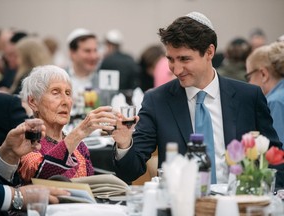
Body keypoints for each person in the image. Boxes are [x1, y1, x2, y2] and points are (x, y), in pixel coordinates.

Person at [112, 12, 282, 184]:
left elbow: (275, 157)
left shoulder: (248, 97)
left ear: (209, 52)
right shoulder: (157, 100)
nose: (176, 70)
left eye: (184, 59)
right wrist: (125, 145)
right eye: (171, 59)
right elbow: (129, 172)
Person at [18, 65, 117, 183]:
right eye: (55, 92)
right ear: (33, 102)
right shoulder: (28, 142)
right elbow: (40, 175)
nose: (65, 101)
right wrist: (79, 132)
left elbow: (92, 187)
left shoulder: (80, 147)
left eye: (68, 93)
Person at [0, 120, 70, 215]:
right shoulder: (34, 148)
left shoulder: (81, 146)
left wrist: (9, 154)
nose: (65, 104)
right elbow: (43, 172)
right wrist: (17, 196)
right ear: (33, 105)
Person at [245, 41, 284, 146]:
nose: (248, 83)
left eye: (248, 77)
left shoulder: (275, 102)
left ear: (263, 74)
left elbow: (278, 151)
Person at [66, 28, 101, 115]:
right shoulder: (59, 79)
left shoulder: (102, 82)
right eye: (87, 51)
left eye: (95, 50)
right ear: (72, 53)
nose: (93, 56)